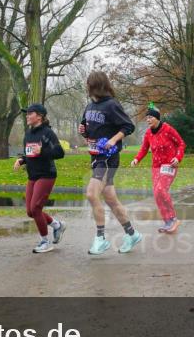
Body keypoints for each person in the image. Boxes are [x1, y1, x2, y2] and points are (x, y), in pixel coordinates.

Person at [78, 70, 142, 255]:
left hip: (108, 158)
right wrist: (83, 130)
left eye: (89, 84)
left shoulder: (111, 105)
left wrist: (114, 140)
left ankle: (100, 239)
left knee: (91, 194)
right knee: (111, 199)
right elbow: (88, 130)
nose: (87, 87)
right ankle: (132, 234)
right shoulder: (89, 106)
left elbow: (128, 126)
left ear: (96, 86)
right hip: (95, 157)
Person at [13, 103, 66, 254]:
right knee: (30, 211)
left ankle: (45, 241)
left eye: (30, 113)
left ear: (39, 116)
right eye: (27, 113)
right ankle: (57, 225)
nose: (27, 116)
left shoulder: (47, 133)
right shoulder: (28, 134)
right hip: (33, 175)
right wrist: (22, 160)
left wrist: (43, 150)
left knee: (36, 208)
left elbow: (60, 152)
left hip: (46, 174)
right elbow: (29, 154)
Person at [130, 103, 185, 234]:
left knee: (161, 190)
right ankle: (167, 222)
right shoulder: (148, 133)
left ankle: (173, 219)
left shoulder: (168, 129)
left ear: (157, 118)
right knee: (157, 194)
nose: (148, 120)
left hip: (169, 165)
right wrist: (136, 159)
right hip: (156, 167)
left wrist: (178, 158)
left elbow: (181, 144)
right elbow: (144, 149)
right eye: (146, 118)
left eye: (150, 117)